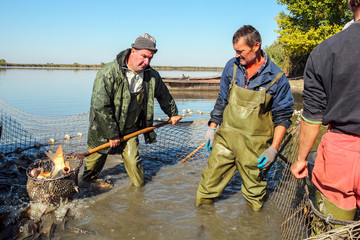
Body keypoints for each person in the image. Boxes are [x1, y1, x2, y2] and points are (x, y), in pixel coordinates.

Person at [196, 25, 294, 211]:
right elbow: (222, 99)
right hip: (226, 140)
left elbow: (283, 117)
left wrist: (274, 149)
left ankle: (254, 228)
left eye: (241, 51)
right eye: (235, 51)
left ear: (256, 46)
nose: (238, 56)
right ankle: (202, 221)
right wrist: (212, 127)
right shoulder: (232, 67)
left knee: (255, 194)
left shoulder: (277, 77)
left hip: (254, 146)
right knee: (207, 186)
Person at [291, 0, 360, 223]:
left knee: (333, 229)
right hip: (341, 153)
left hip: (340, 154)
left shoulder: (326, 50)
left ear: (351, 4)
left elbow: (312, 117)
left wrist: (301, 159)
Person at [82, 33, 182, 187]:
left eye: (150, 58)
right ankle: (85, 188)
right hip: (103, 130)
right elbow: (101, 107)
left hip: (130, 130)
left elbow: (164, 96)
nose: (146, 62)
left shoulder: (151, 75)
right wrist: (111, 134)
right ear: (133, 51)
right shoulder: (107, 73)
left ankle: (139, 194)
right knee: (90, 172)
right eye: (143, 56)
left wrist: (173, 113)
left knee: (137, 175)